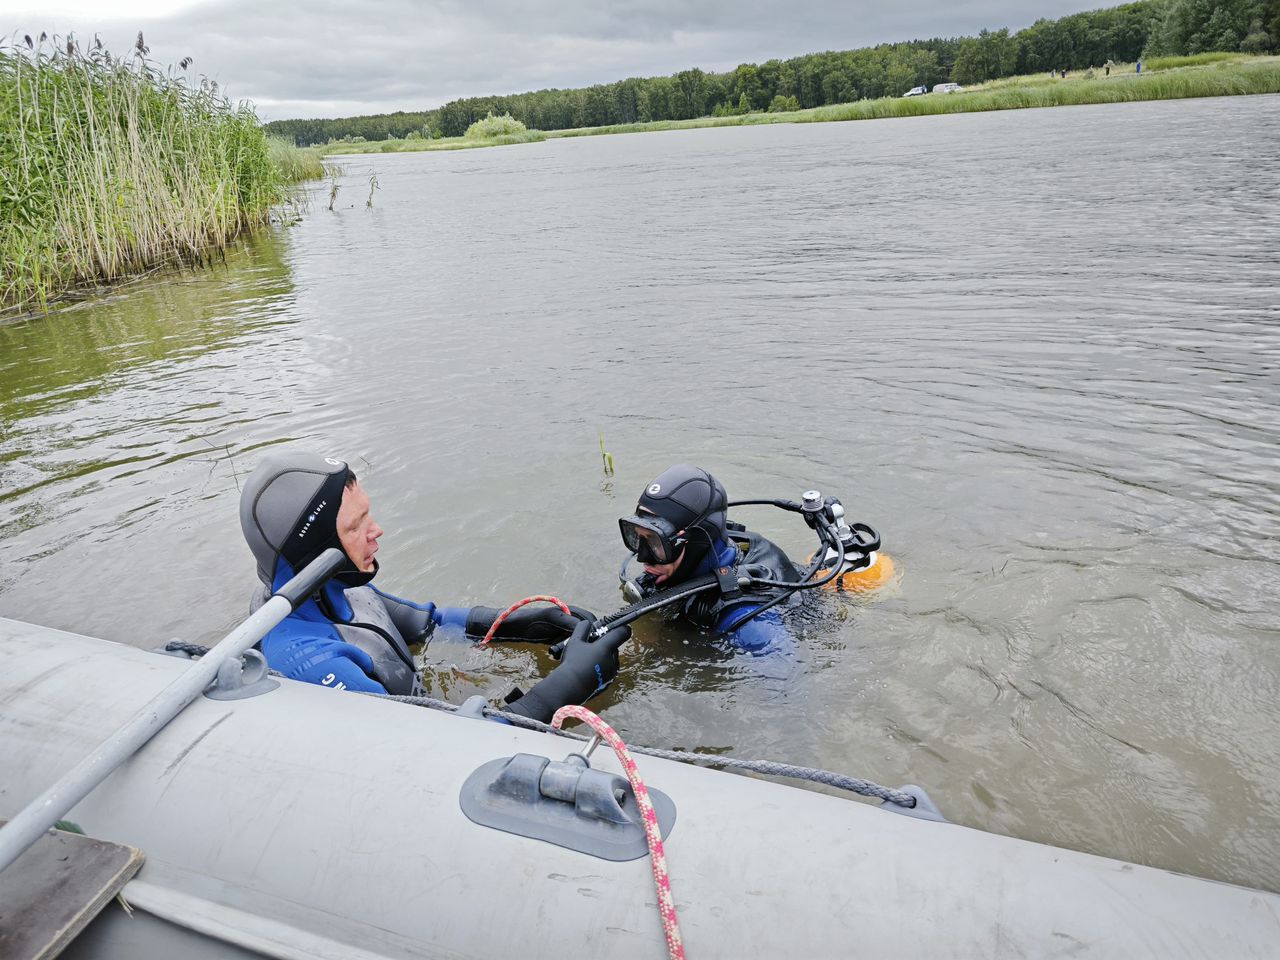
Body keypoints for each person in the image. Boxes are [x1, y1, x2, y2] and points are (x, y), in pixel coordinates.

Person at [239, 450, 628, 721]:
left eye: (367, 515)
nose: (376, 531)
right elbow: (437, 749)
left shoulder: (339, 590)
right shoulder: (308, 659)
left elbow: (433, 623)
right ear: (313, 550)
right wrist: (571, 683)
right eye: (355, 526)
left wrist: (533, 623)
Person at [617, 464, 802, 653]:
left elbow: (787, 673)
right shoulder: (683, 563)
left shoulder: (748, 622)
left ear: (695, 542)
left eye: (656, 542)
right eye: (637, 537)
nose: (642, 557)